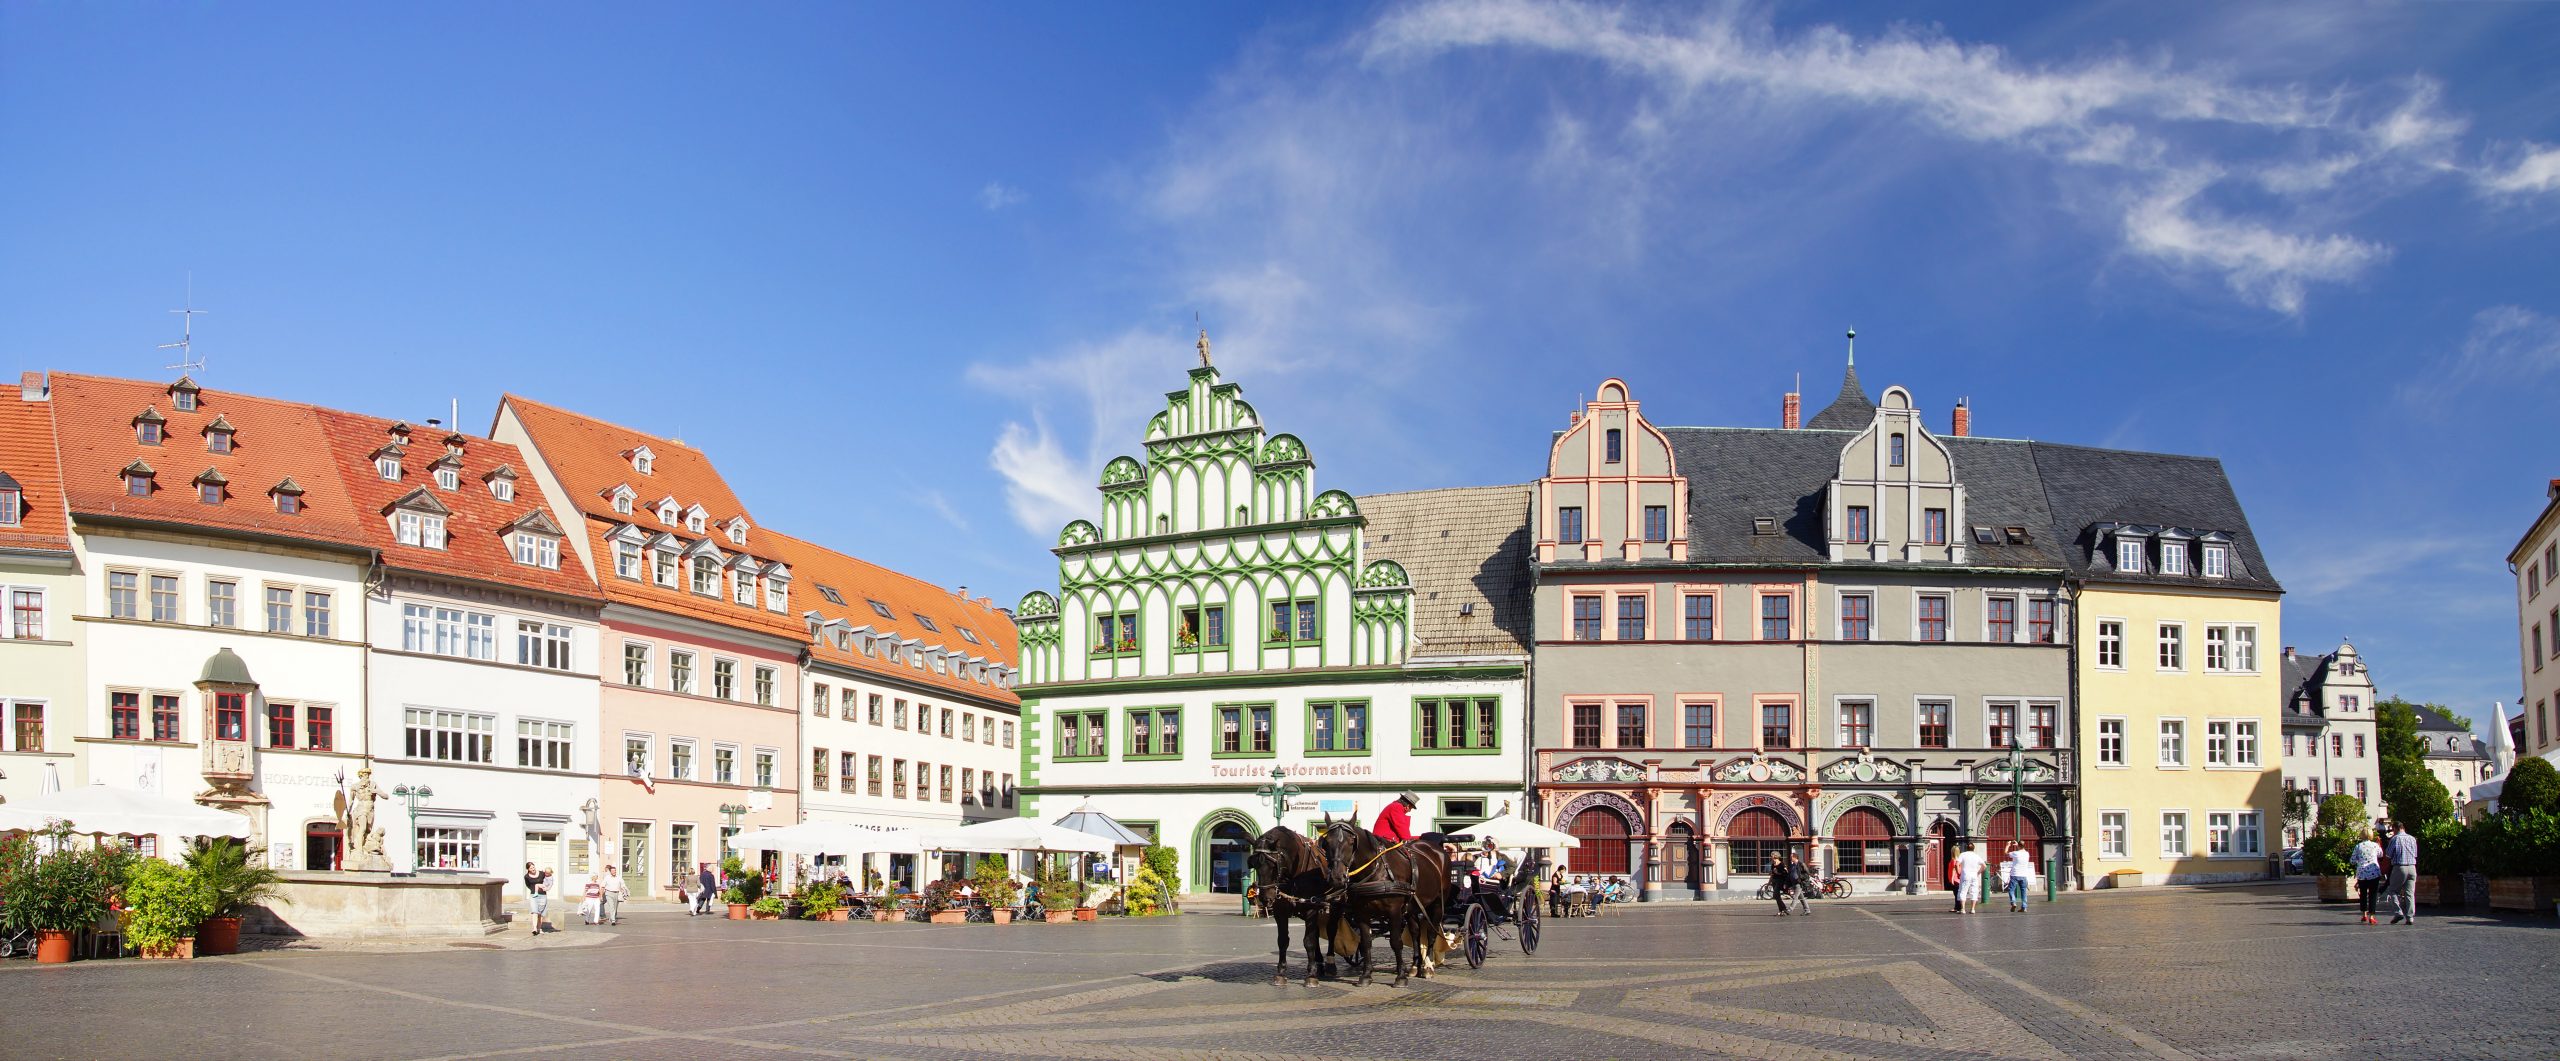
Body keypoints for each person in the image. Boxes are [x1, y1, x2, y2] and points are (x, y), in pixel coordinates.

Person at [2385, 820, 2420, 925]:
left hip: (2400, 867)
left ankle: (2398, 912)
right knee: (2409, 893)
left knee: (2393, 890)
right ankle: (2410, 917)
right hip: (2412, 867)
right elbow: (2415, 854)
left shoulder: (2395, 839)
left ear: (2395, 828)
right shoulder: (2412, 838)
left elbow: (2388, 855)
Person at [2350, 831, 2384, 925]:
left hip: (2362, 873)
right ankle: (2372, 916)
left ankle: (2364, 914)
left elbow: (2352, 860)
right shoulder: (2375, 845)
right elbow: (2381, 855)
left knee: (2363, 894)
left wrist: (2359, 860)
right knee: (2373, 894)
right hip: (2374, 872)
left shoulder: (2358, 846)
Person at [1954, 843, 1986, 915]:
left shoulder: (1963, 854)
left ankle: (1963, 909)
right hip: (1974, 875)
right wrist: (1978, 873)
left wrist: (1958, 873)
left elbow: (1956, 864)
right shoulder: (1976, 856)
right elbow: (1984, 866)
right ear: (1973, 848)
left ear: (1966, 848)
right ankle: (1973, 909)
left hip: (1965, 875)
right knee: (1974, 891)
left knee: (1963, 891)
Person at [523, 863, 553, 935]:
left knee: (540, 913)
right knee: (534, 911)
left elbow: (549, 878)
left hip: (543, 895)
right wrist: (533, 889)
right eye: (531, 868)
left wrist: (547, 888)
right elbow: (528, 885)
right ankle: (534, 928)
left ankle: (539, 928)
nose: (533, 869)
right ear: (528, 869)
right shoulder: (526, 876)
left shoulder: (542, 873)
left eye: (533, 867)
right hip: (534, 895)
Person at [2004, 843, 2034, 913]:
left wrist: (2007, 845)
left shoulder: (2015, 853)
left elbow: (2005, 853)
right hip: (2023, 875)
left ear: (2018, 846)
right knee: (2023, 891)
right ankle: (2024, 907)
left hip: (2015, 874)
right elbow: (2022, 848)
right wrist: (2018, 845)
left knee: (2011, 890)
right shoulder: (2027, 853)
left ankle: (2013, 902)